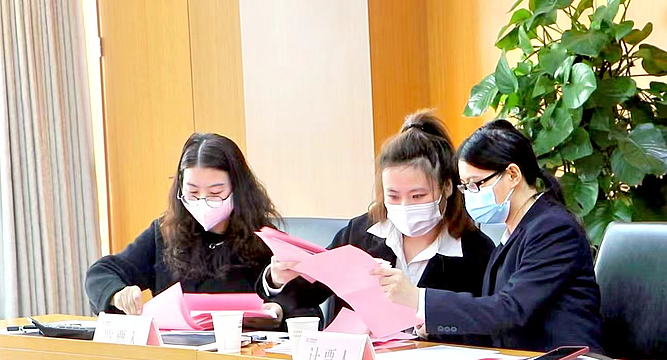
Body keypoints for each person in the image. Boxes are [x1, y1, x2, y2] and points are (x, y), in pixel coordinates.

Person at [264, 110, 495, 342]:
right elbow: (304, 294)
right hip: (363, 359)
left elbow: (489, 327)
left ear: (447, 187)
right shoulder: (360, 233)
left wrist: (434, 323)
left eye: (418, 196)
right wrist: (278, 279)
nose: (404, 205)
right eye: (393, 196)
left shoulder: (475, 250)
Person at [377, 119, 603, 352]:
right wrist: (433, 327)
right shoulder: (513, 231)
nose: (470, 195)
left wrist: (419, 299)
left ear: (513, 174)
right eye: (465, 187)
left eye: (476, 184)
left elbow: (511, 310)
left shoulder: (554, 229)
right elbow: (493, 324)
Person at [85, 133, 287, 327]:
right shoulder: (166, 233)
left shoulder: (263, 238)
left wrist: (278, 307)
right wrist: (118, 294)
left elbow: (297, 302)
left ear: (238, 190)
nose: (202, 201)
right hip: (175, 347)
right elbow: (102, 272)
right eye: (192, 192)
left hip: (241, 347)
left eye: (215, 193)